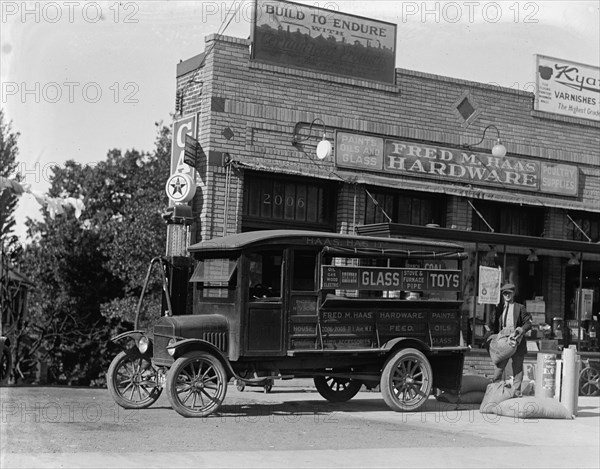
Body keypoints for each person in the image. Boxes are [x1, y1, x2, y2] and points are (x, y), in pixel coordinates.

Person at [487, 283, 532, 395]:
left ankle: (516, 392)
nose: (507, 295)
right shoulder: (499, 308)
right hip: (503, 342)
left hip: (517, 341)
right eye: (505, 293)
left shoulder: (520, 307)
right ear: (502, 295)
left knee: (517, 368)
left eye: (509, 293)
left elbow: (528, 323)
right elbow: (494, 325)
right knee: (499, 367)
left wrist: (521, 330)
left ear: (513, 294)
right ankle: (496, 391)